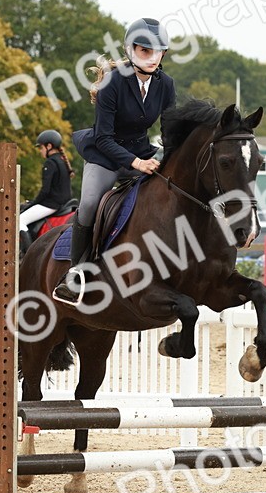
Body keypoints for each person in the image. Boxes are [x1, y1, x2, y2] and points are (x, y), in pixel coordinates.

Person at [54, 17, 176, 305]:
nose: (151, 57)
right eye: (145, 51)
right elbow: (105, 138)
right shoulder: (113, 82)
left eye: (157, 52)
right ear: (130, 50)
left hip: (141, 151)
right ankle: (75, 275)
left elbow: (170, 129)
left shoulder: (165, 84)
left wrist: (167, 154)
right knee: (89, 204)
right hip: (106, 154)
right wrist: (137, 163)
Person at [19, 129, 74, 255]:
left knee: (19, 220)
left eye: (41, 148)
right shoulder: (62, 161)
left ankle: (27, 255)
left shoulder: (50, 163)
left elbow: (45, 191)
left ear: (49, 146)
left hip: (51, 204)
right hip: (64, 202)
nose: (40, 151)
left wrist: (32, 204)